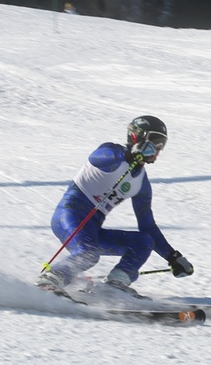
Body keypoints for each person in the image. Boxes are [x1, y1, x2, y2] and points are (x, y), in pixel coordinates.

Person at [36, 116, 194, 297]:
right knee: (88, 253)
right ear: (137, 138)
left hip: (92, 230)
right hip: (69, 216)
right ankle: (49, 280)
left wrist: (172, 257)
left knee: (144, 242)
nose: (157, 151)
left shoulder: (141, 183)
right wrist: (127, 155)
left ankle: (115, 284)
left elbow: (147, 226)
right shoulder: (111, 152)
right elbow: (96, 157)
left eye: (161, 146)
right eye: (155, 144)